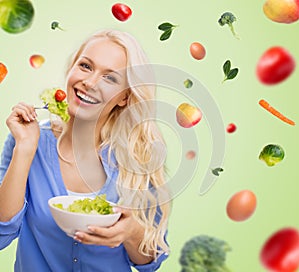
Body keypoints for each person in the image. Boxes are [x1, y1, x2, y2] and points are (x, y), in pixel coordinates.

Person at [0, 29, 171, 272]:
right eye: (85, 66)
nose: (89, 83)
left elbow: (150, 262)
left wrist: (131, 232)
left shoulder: (139, 154)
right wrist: (25, 150)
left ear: (124, 98)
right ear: (71, 69)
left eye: (110, 78)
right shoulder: (27, 140)